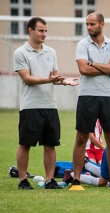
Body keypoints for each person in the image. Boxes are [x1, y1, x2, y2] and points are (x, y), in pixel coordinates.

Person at [14, 17, 79, 190]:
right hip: (30, 106)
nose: (44, 34)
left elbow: (53, 79)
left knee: (50, 144)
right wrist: (49, 80)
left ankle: (50, 180)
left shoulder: (51, 52)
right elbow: (27, 79)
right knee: (25, 143)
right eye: (40, 30)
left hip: (50, 106)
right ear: (30, 30)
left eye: (45, 31)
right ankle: (22, 180)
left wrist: (64, 81)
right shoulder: (20, 52)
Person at [72, 12, 110, 190]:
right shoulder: (82, 44)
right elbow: (83, 69)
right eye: (87, 24)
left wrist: (94, 63)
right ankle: (76, 179)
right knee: (81, 137)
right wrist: (106, 68)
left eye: (92, 24)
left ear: (102, 24)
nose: (89, 27)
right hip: (87, 96)